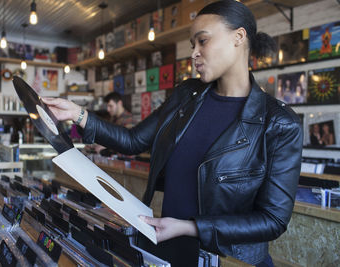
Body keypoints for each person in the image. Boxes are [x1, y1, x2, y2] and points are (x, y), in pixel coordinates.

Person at [42, 1, 303, 266]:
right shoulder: (185, 96)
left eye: (203, 41)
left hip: (231, 261)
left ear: (238, 37)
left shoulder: (279, 123)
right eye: (193, 45)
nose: (194, 54)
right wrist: (78, 114)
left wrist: (190, 227)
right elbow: (133, 141)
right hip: (172, 253)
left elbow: (273, 220)